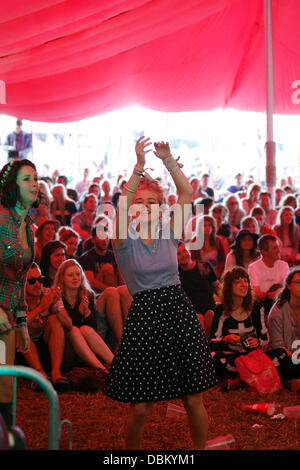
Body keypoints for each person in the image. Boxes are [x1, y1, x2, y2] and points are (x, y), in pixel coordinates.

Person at [103, 137, 217, 451]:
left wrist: (168, 162)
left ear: (161, 207)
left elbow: (186, 193)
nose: (147, 207)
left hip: (177, 311)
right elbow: (122, 206)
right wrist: (138, 169)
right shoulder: (123, 241)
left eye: (153, 203)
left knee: (193, 398)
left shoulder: (169, 232)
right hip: (144, 317)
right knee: (140, 406)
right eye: (140, 203)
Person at [0, 158, 38, 428]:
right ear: (11, 186)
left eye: (35, 178)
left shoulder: (27, 226)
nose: (34, 183)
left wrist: (22, 321)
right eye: (27, 179)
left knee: (5, 385)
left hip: (8, 318)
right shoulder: (0, 218)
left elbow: (18, 281)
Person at [209, 267, 287, 389]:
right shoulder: (221, 309)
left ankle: (240, 380)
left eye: (245, 281)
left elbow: (265, 338)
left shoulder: (256, 307)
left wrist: (257, 342)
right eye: (238, 281)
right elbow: (212, 342)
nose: (243, 284)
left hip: (253, 357)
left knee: (282, 353)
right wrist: (226, 339)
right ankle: (252, 378)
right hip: (233, 358)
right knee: (214, 357)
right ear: (229, 286)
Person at [54, 259, 113, 374]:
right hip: (66, 348)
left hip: (85, 347)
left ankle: (115, 364)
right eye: (70, 275)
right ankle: (103, 371)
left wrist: (86, 313)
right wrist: (79, 313)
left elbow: (94, 328)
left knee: (86, 329)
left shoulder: (87, 294)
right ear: (62, 278)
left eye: (78, 274)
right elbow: (68, 325)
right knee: (74, 330)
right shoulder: (57, 296)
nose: (75, 278)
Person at [18, 263, 69, 391]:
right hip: (21, 351)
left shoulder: (48, 293)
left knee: (55, 321)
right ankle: (40, 374)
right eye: (32, 281)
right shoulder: (17, 297)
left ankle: (56, 373)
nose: (37, 284)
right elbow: (15, 324)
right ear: (23, 282)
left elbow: (69, 324)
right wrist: (42, 307)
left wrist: (55, 307)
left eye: (40, 279)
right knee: (20, 330)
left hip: (45, 347)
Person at [177, 242, 220, 338]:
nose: (183, 255)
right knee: (200, 317)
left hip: (209, 308)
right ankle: (206, 345)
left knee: (210, 314)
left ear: (189, 251)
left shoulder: (204, 266)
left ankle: (206, 344)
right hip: (190, 312)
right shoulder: (175, 274)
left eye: (184, 251)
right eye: (178, 254)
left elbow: (218, 288)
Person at [267, 267, 300, 389]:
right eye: (298, 282)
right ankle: (291, 381)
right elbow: (277, 345)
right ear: (289, 286)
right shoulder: (278, 310)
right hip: (285, 355)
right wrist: (295, 355)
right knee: (287, 360)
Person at [248, 234, 289, 316]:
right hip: (261, 305)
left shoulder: (283, 265)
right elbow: (255, 294)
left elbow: (286, 290)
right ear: (264, 251)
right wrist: (271, 295)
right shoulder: (254, 267)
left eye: (278, 247)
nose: (279, 251)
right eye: (275, 248)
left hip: (280, 304)